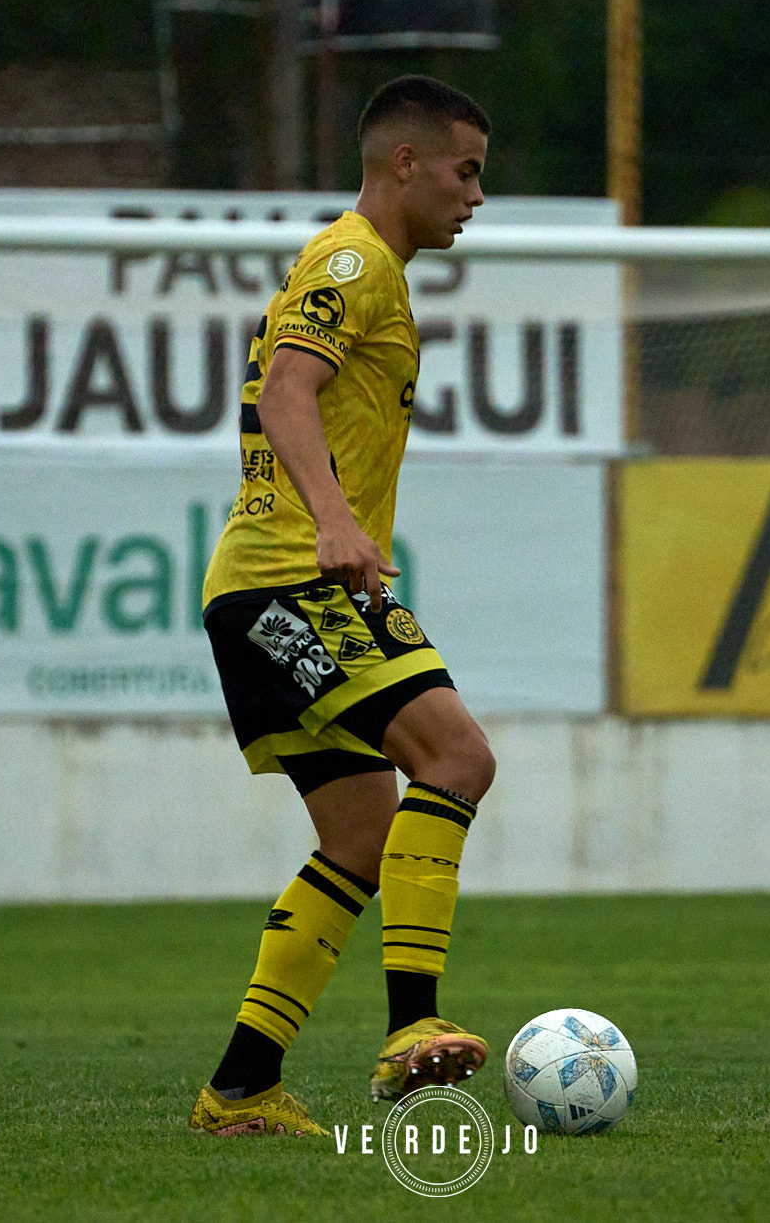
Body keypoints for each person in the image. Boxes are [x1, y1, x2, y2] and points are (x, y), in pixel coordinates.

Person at [187, 75, 497, 1137]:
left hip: (271, 582)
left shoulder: (372, 273)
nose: (474, 196)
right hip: (290, 575)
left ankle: (239, 1088)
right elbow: (284, 387)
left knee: (362, 831)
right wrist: (333, 518)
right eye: (464, 171)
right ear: (403, 163)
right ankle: (413, 1026)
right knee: (455, 757)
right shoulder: (355, 259)